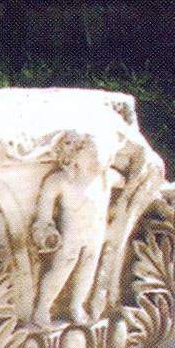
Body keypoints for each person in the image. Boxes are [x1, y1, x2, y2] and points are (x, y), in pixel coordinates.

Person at [30, 131, 123, 329]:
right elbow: (44, 214)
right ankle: (43, 307)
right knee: (62, 268)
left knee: (89, 268)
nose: (96, 159)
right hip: (71, 236)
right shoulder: (60, 181)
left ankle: (77, 306)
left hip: (95, 235)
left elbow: (127, 181)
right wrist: (46, 229)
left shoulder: (107, 177)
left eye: (100, 154)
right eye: (91, 154)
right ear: (74, 156)